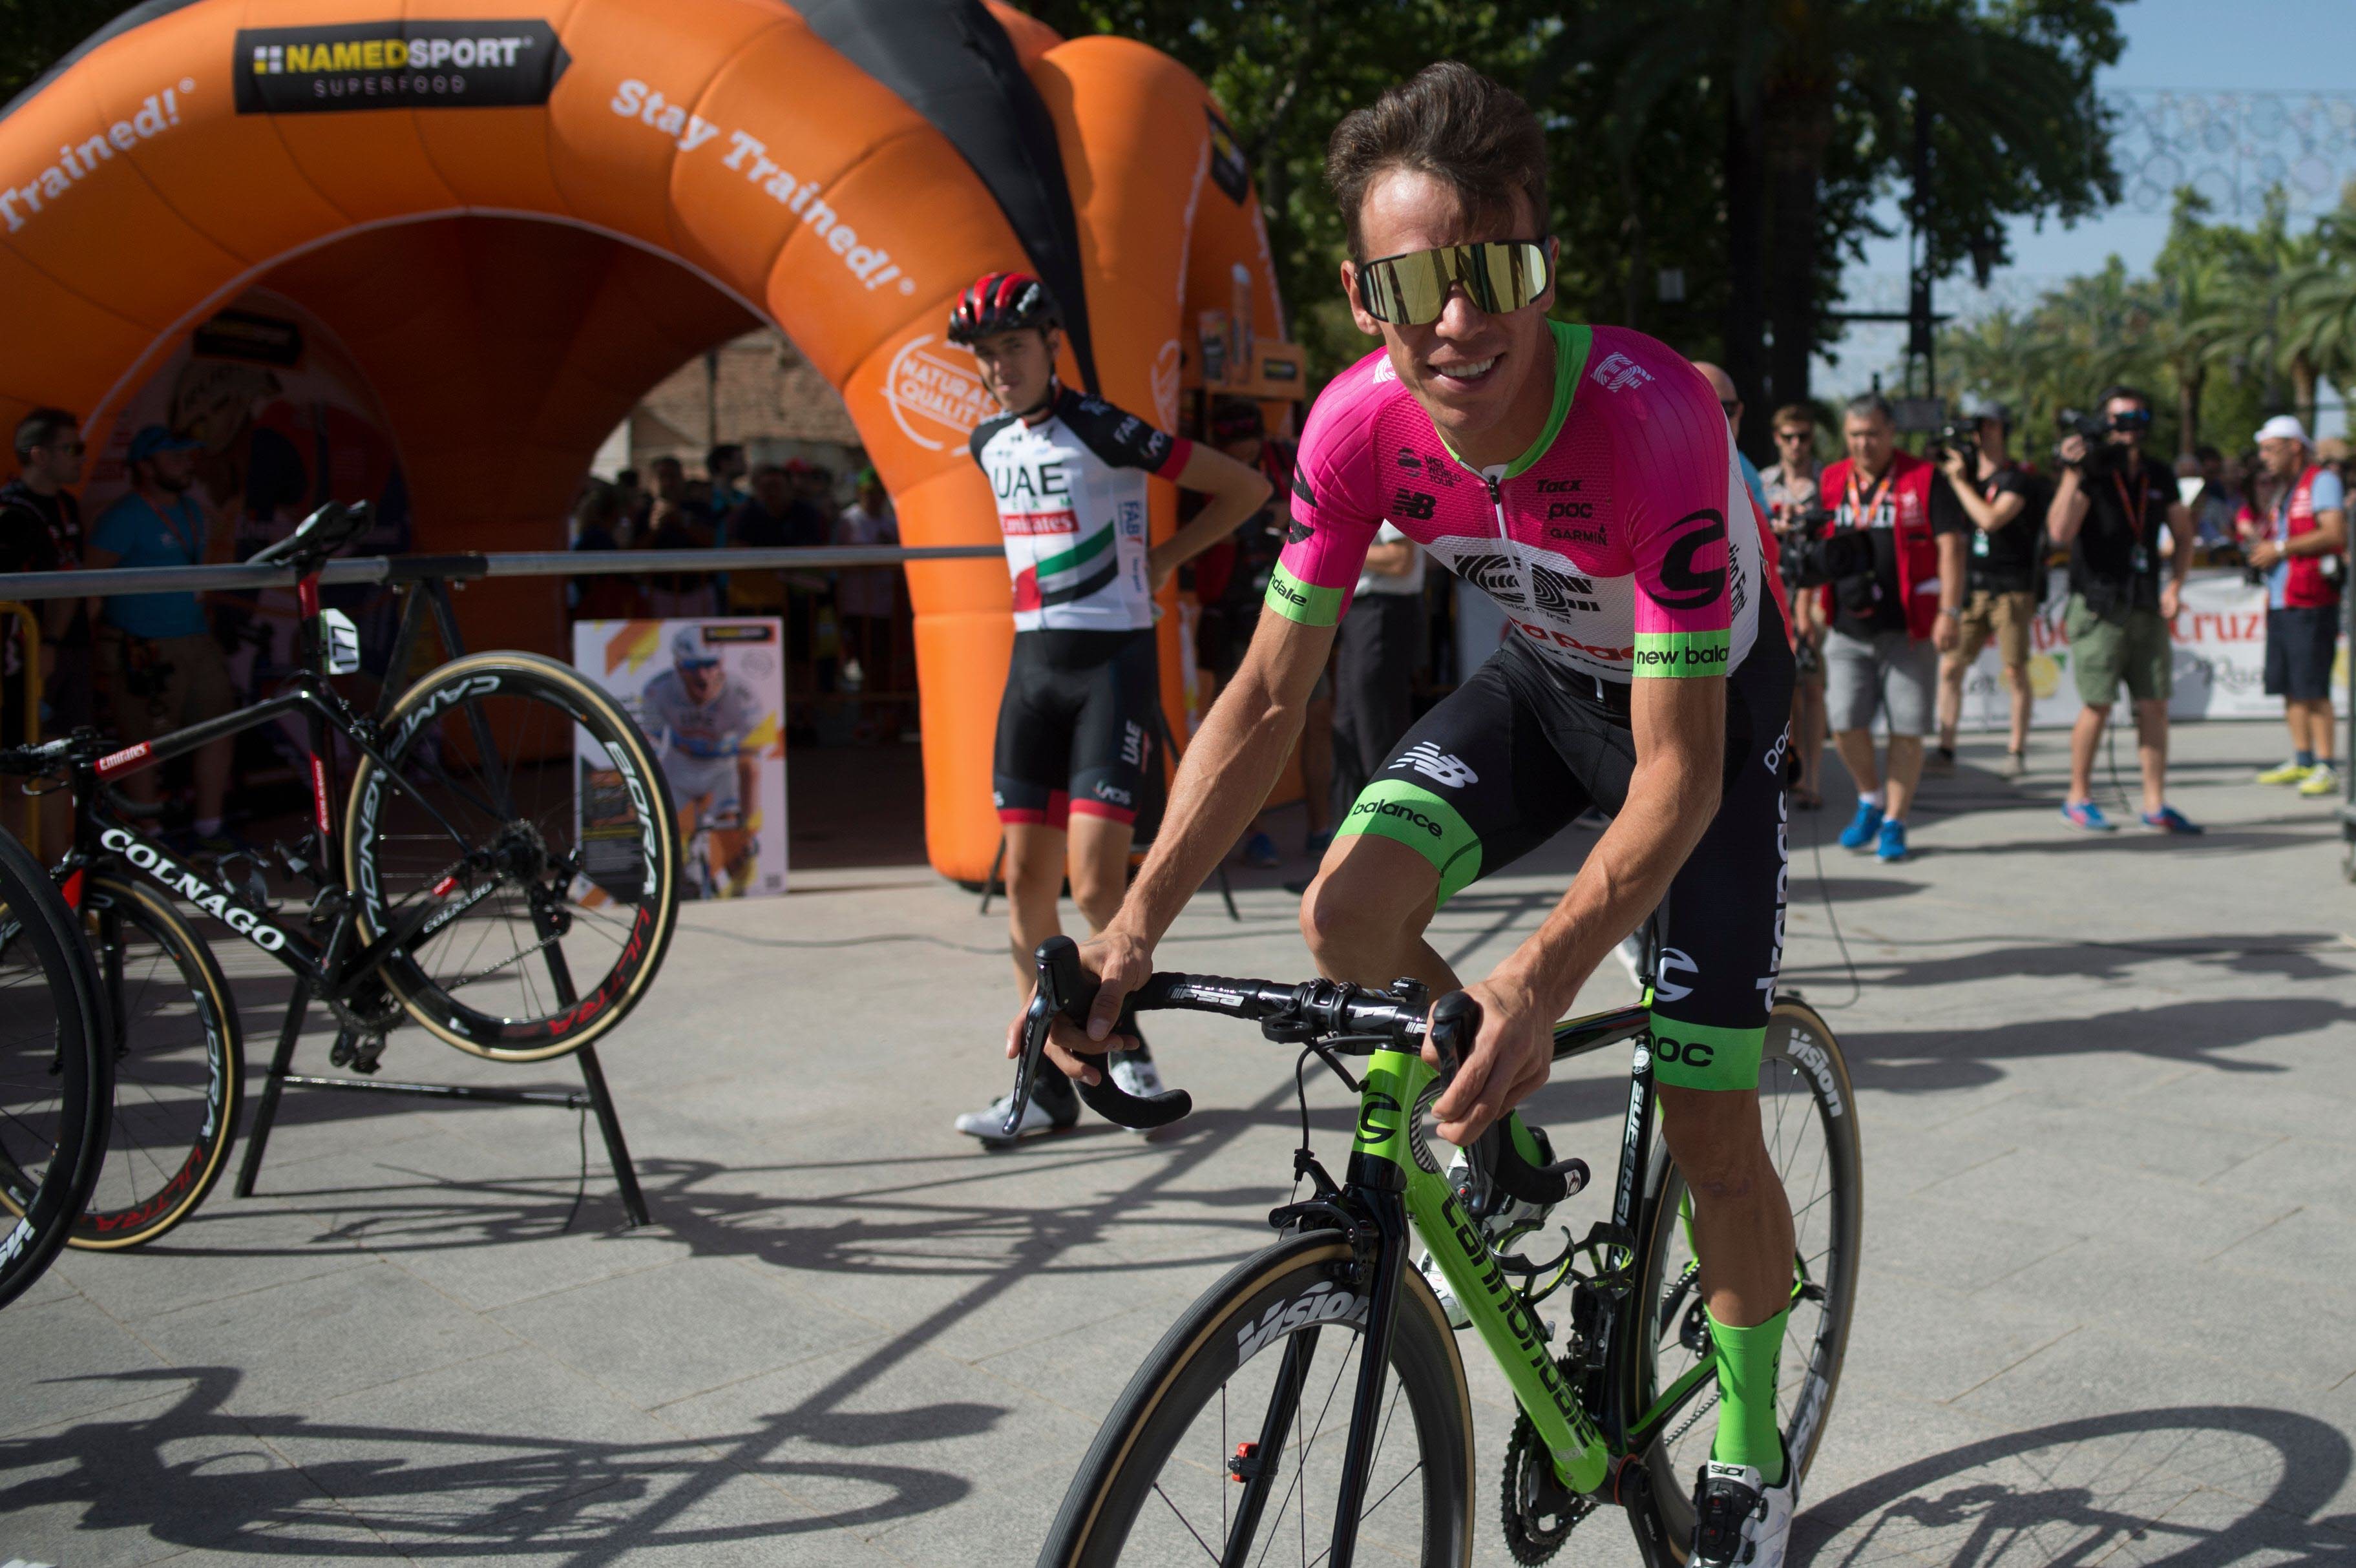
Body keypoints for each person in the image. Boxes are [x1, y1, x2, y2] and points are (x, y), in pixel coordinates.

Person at [1013, 64, 1802, 1568]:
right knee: (1343, 914)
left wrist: (1537, 971)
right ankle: (1492, 1131)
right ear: (1360, 289)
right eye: (1414, 279)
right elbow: (1256, 705)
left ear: (1541, 265)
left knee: (1707, 1126)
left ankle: (1750, 1450)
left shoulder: (1647, 420)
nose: (1458, 316)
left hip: (1697, 724)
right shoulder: (1352, 428)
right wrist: (1125, 932)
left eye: (1492, 268)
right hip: (1543, 688)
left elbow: (1676, 775)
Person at [948, 269, 1272, 1143]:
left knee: (1094, 880)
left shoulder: (1103, 427)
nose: (997, 367)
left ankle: (1124, 1039)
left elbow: (1245, 490)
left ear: (1049, 345)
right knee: (1024, 884)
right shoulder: (986, 442)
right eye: (984, 355)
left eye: (1011, 347)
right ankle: (1046, 1082)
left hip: (1110, 667)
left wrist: (1163, 557)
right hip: (1032, 670)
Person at [1817, 395, 1965, 862]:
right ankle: (1870, 798)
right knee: (1842, 721)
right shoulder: (1832, 479)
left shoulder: (1923, 477)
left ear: (1891, 433)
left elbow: (1953, 547)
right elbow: (1820, 547)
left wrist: (1950, 610)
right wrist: (1806, 603)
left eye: (1873, 434)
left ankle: (1896, 821)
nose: (1864, 443)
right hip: (1846, 625)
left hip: (1909, 627)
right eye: (1856, 434)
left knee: (1907, 728)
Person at [2046, 385, 2200, 833]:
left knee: (2153, 704)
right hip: (2098, 603)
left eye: (2136, 418)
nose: (2128, 428)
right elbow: (2059, 530)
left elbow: (2184, 533)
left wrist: (2176, 584)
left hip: (2147, 600)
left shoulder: (2158, 472)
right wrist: (2074, 472)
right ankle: (2078, 796)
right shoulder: (2093, 470)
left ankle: (2155, 803)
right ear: (2104, 423)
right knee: (2097, 704)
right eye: (2118, 419)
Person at [85, 424, 237, 852]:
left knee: (219, 727)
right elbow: (88, 588)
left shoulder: (193, 510)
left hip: (195, 640)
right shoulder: (123, 516)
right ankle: (148, 840)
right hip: (141, 648)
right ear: (144, 466)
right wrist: (84, 653)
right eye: (174, 458)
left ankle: (210, 828)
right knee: (143, 744)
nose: (186, 465)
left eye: (188, 457)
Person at [1931, 401, 2045, 777]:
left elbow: (1990, 519)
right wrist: (1954, 477)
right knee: (1951, 667)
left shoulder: (2018, 478)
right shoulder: (1962, 476)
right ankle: (1945, 748)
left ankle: (2017, 749)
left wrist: (1960, 482)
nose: (1984, 432)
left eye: (1992, 425)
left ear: (2004, 429)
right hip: (1972, 586)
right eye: (1979, 426)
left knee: (2014, 670)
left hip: (2011, 587)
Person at [0, 408, 95, 848]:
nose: (79, 457)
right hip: (27, 656)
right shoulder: (11, 511)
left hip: (66, 650)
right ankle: (22, 887)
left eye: (82, 448)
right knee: (21, 766)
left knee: (61, 759)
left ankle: (59, 870)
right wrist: (47, 643)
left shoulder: (66, 503)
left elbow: (72, 576)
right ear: (38, 454)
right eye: (70, 448)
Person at [2241, 415, 2346, 797]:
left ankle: (2326, 764)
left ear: (2294, 446)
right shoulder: (2286, 489)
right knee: (2288, 685)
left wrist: (2280, 548)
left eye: (2270, 449)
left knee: (2312, 685)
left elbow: (2335, 533)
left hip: (2311, 598)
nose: (2264, 457)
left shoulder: (2322, 481)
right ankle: (2302, 759)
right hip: (2283, 599)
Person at [638, 625, 766, 898]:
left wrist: (747, 827)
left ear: (721, 663)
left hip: (723, 768)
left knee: (734, 844)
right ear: (678, 666)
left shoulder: (741, 694)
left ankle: (741, 887)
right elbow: (649, 750)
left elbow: (749, 768)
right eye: (692, 667)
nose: (703, 676)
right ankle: (685, 877)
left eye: (710, 665)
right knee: (675, 840)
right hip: (680, 764)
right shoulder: (657, 690)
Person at [1326, 517, 1424, 830]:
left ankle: (1390, 839)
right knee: (1347, 727)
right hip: (1356, 612)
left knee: (1377, 728)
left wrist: (1331, 549)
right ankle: (1344, 849)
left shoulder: (1393, 486)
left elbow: (1400, 560)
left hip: (1384, 610)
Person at [1760, 404, 1827, 808]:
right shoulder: (1765, 483)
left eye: (1803, 436)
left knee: (1814, 686)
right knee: (1784, 691)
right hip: (1774, 591)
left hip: (1816, 591)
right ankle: (1788, 770)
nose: (1796, 445)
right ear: (1777, 438)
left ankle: (1813, 781)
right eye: (1789, 437)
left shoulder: (1828, 481)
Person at [834, 466, 901, 732]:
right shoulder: (850, 520)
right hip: (857, 606)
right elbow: (854, 559)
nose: (873, 499)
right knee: (862, 663)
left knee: (883, 663)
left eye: (878, 494)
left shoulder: (889, 523)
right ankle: (865, 715)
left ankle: (883, 716)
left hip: (885, 606)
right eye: (868, 493)